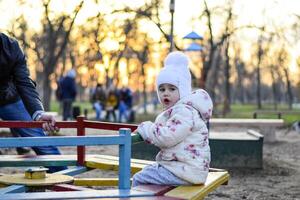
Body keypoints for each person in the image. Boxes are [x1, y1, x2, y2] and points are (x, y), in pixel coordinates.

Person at [132, 51, 213, 186]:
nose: (166, 93)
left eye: (172, 89)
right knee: (148, 171)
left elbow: (167, 137)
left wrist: (146, 128)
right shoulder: (183, 110)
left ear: (183, 90)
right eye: (162, 89)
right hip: (187, 169)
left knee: (139, 179)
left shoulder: (184, 111)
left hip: (185, 172)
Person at [0, 32, 66, 172]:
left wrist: (39, 113)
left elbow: (24, 83)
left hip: (8, 99)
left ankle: (64, 180)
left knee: (39, 140)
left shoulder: (11, 47)